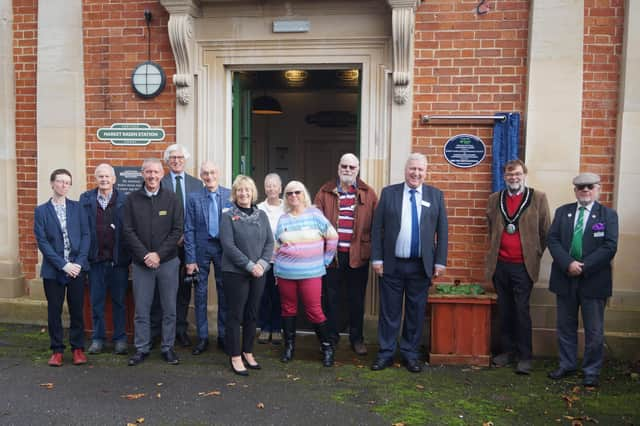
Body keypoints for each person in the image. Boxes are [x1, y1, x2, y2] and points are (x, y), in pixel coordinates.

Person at [370, 153, 448, 373]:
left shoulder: (436, 196)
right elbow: (377, 229)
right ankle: (385, 353)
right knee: (389, 312)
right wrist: (377, 258)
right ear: (406, 170)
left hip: (420, 266)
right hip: (392, 264)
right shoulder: (389, 193)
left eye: (420, 170)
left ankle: (410, 354)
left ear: (426, 172)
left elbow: (442, 232)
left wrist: (440, 262)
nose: (416, 173)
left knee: (415, 312)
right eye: (412, 169)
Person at [547, 173, 618, 388]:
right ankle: (567, 364)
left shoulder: (608, 215)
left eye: (589, 187)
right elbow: (553, 239)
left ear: (598, 189)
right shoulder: (563, 212)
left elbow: (610, 246)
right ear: (575, 191)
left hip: (594, 279)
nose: (585, 191)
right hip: (565, 276)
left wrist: (584, 266)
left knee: (594, 330)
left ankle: (591, 371)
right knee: (565, 326)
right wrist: (568, 263)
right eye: (580, 188)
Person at [486, 159, 550, 375]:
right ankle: (506, 352)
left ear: (524, 175)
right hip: (500, 264)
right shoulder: (495, 199)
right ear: (504, 177)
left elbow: (545, 231)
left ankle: (525, 356)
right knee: (504, 310)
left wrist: (535, 253)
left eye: (518, 174)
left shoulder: (538, 198)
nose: (514, 178)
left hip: (523, 266)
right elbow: (491, 227)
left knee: (521, 311)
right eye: (510, 175)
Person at [314, 153, 378, 355]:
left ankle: (357, 338)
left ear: (357, 169)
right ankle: (332, 338)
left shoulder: (369, 194)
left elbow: (377, 226)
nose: (348, 170)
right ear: (338, 167)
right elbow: (315, 223)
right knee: (331, 299)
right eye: (344, 166)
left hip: (358, 255)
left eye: (352, 167)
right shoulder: (324, 192)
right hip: (331, 256)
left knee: (356, 299)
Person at [123, 159, 183, 366]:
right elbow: (128, 231)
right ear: (142, 174)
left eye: (156, 172)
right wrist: (145, 255)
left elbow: (177, 230)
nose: (152, 176)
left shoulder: (172, 198)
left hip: (168, 262)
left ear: (161, 174)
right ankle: (142, 348)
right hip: (141, 264)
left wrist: (158, 254)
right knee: (142, 309)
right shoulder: (132, 199)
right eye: (148, 172)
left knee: (169, 308)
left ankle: (167, 348)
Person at [274, 180, 339, 367]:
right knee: (288, 309)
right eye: (289, 193)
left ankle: (327, 347)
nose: (294, 196)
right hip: (286, 273)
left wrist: (325, 260)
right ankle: (289, 347)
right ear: (286, 197)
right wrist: (276, 270)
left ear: (304, 194)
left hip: (311, 273)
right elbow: (277, 247)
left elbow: (332, 236)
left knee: (314, 310)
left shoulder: (315, 215)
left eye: (297, 192)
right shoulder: (283, 219)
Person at [34, 169, 90, 366]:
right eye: (60, 181)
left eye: (67, 182)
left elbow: (86, 236)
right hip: (54, 270)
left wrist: (78, 263)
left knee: (77, 310)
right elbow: (42, 242)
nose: (63, 185)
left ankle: (77, 349)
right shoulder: (41, 211)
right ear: (52, 184)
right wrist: (63, 265)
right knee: (54, 311)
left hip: (76, 269)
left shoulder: (78, 208)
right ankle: (57, 350)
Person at [219, 175, 274, 375]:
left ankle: (248, 351)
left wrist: (261, 264)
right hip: (235, 273)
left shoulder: (262, 215)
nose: (244, 194)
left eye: (247, 190)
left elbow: (270, 242)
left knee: (252, 314)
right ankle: (235, 356)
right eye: (240, 190)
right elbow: (228, 246)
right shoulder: (227, 216)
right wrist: (250, 265)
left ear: (253, 193)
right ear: (235, 193)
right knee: (236, 315)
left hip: (259, 273)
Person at [154, 144, 203, 348]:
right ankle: (160, 332)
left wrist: (185, 235)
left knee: (184, 289)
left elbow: (198, 214)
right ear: (167, 161)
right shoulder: (159, 182)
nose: (176, 161)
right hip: (165, 246)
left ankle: (180, 330)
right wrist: (172, 238)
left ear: (186, 160)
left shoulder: (196, 184)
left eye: (180, 157)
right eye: (172, 158)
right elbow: (154, 214)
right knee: (162, 289)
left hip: (189, 246)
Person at [80, 163, 131, 356]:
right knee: (96, 302)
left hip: (118, 261)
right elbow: (83, 228)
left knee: (119, 302)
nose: (104, 180)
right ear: (95, 178)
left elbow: (129, 230)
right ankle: (98, 338)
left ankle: (120, 339)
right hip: (95, 261)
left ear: (114, 179)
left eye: (107, 176)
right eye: (100, 176)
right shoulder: (86, 199)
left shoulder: (124, 200)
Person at [184, 161, 232, 355]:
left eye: (212, 172)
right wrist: (190, 259)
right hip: (201, 250)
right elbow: (189, 229)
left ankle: (222, 335)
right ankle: (202, 337)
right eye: (205, 173)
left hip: (224, 250)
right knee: (201, 294)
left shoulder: (229, 195)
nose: (209, 176)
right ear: (201, 176)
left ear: (218, 173)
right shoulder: (194, 198)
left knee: (224, 293)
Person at [257, 173, 285, 345]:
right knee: (264, 294)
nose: (271, 188)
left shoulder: (287, 207)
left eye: (275, 185)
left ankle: (277, 328)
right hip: (264, 259)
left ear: (280, 188)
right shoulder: (259, 208)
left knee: (279, 295)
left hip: (283, 260)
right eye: (268, 185)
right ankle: (265, 327)